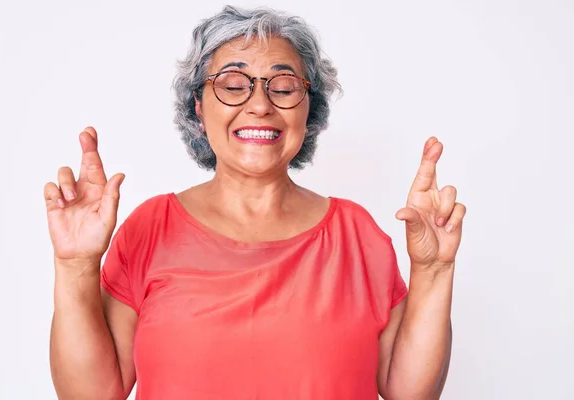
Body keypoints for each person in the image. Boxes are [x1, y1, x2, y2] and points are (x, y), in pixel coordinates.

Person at [45, 5, 466, 400]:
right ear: (198, 105)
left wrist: (434, 270)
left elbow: (409, 392)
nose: (260, 105)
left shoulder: (357, 235)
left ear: (308, 108)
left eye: (283, 87)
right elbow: (92, 394)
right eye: (233, 86)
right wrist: (75, 265)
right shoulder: (150, 228)